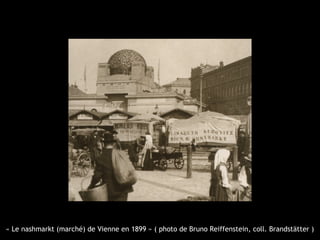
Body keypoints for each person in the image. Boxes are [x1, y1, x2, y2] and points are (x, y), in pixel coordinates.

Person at [88, 132, 133, 201]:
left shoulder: (101, 157)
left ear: (103, 144)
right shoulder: (120, 153)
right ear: (113, 143)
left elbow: (97, 176)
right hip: (124, 188)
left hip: (111, 191)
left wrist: (91, 185)